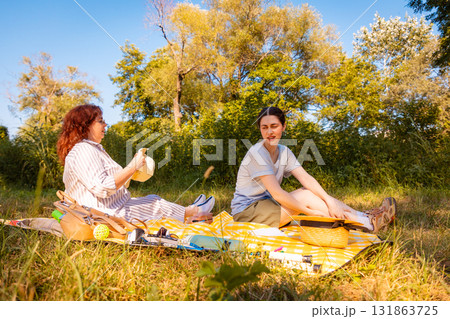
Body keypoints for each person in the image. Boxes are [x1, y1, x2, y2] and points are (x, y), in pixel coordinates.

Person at [231, 106, 396, 233]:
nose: (269, 132)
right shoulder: (257, 153)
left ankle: (363, 216)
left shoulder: (284, 151)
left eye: (274, 126)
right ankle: (368, 224)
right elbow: (278, 194)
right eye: (264, 127)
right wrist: (310, 212)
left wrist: (329, 200)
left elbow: (306, 178)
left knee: (308, 191)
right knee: (305, 198)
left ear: (283, 126)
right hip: (247, 213)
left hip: (267, 205)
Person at [56, 104, 214, 224]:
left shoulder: (92, 149)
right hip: (101, 215)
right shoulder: (84, 149)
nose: (105, 125)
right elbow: (102, 187)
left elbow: (107, 183)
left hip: (110, 208)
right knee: (155, 204)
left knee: (154, 201)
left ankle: (191, 215)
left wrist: (134, 173)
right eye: (100, 121)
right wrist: (132, 167)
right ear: (84, 126)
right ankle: (194, 212)